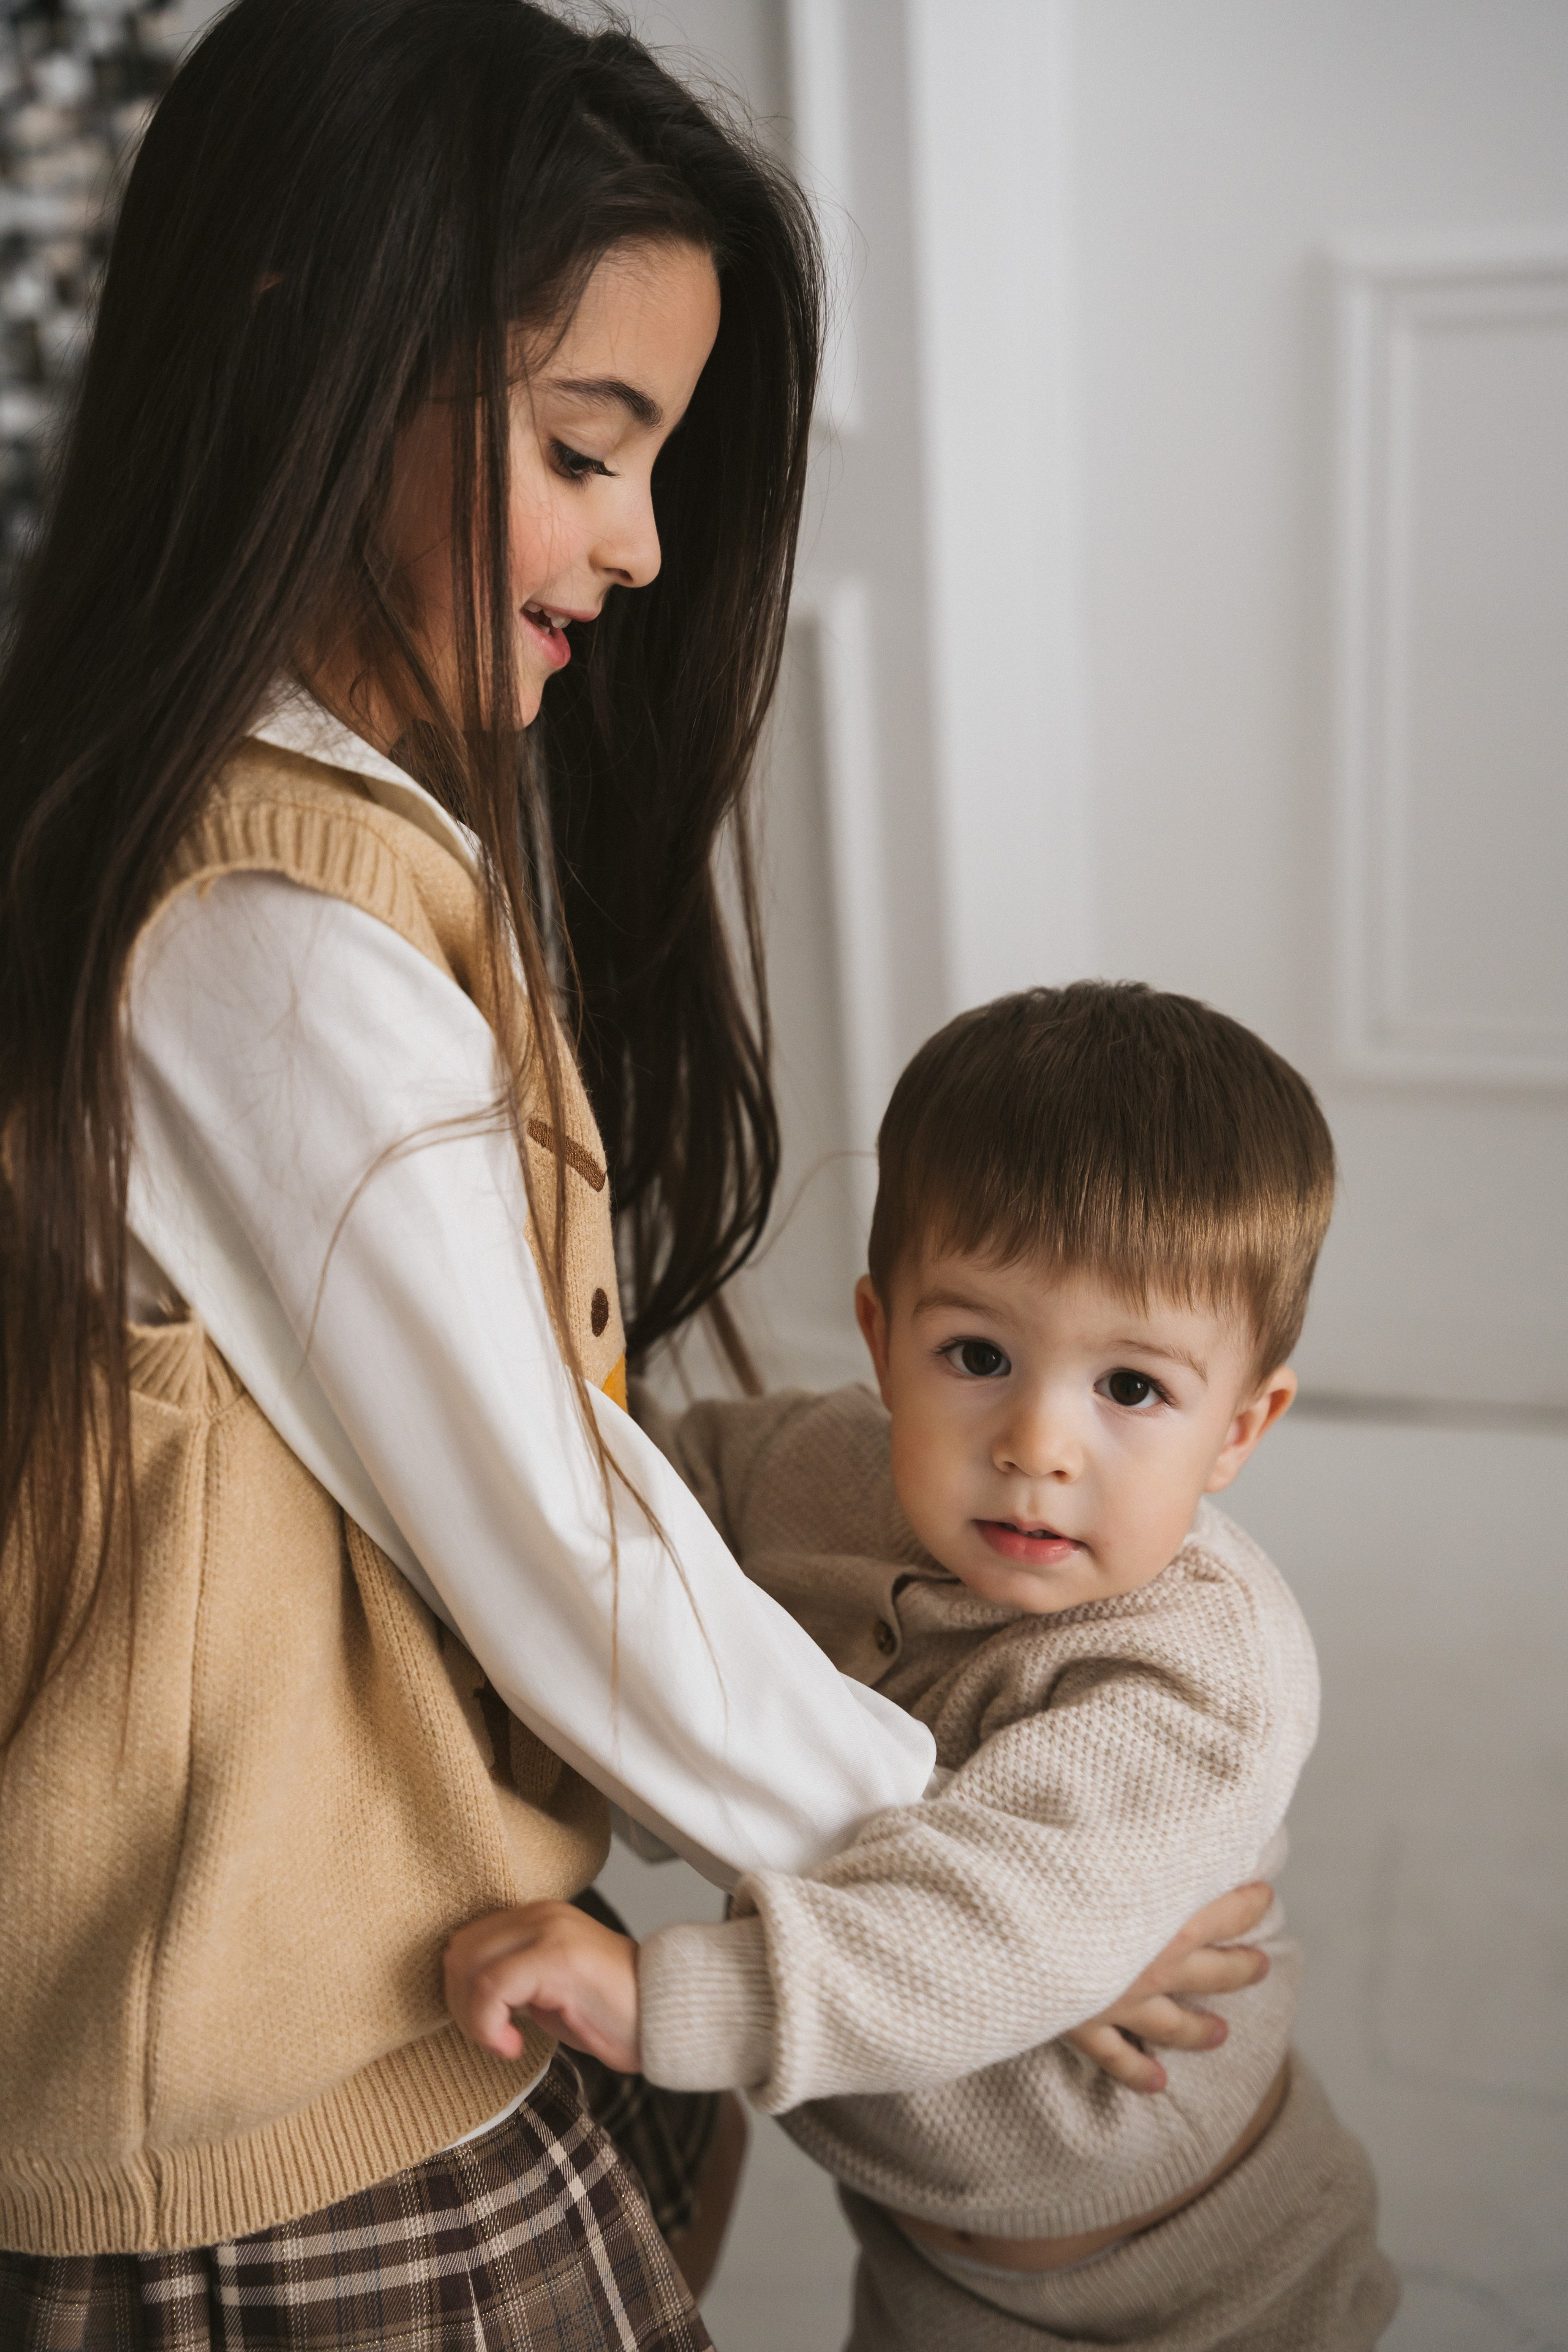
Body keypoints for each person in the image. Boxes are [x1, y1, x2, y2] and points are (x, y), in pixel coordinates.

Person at [0, 3, 1274, 2342]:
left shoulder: (308, 855)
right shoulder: (270, 939)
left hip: (366, 1971)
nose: (648, 542)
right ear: (314, 341)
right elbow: (552, 1537)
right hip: (275, 2092)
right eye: (592, 447)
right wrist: (975, 1891)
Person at [446, 982, 1402, 2350]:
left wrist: (669, 1996)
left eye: (1129, 1389)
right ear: (882, 1340)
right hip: (926, 2268)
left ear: (1239, 1430)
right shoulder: (816, 1473)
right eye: (975, 1354)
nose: (1035, 1442)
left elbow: (996, 1923)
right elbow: (648, 1486)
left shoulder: (1200, 1676)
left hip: (1197, 2282)